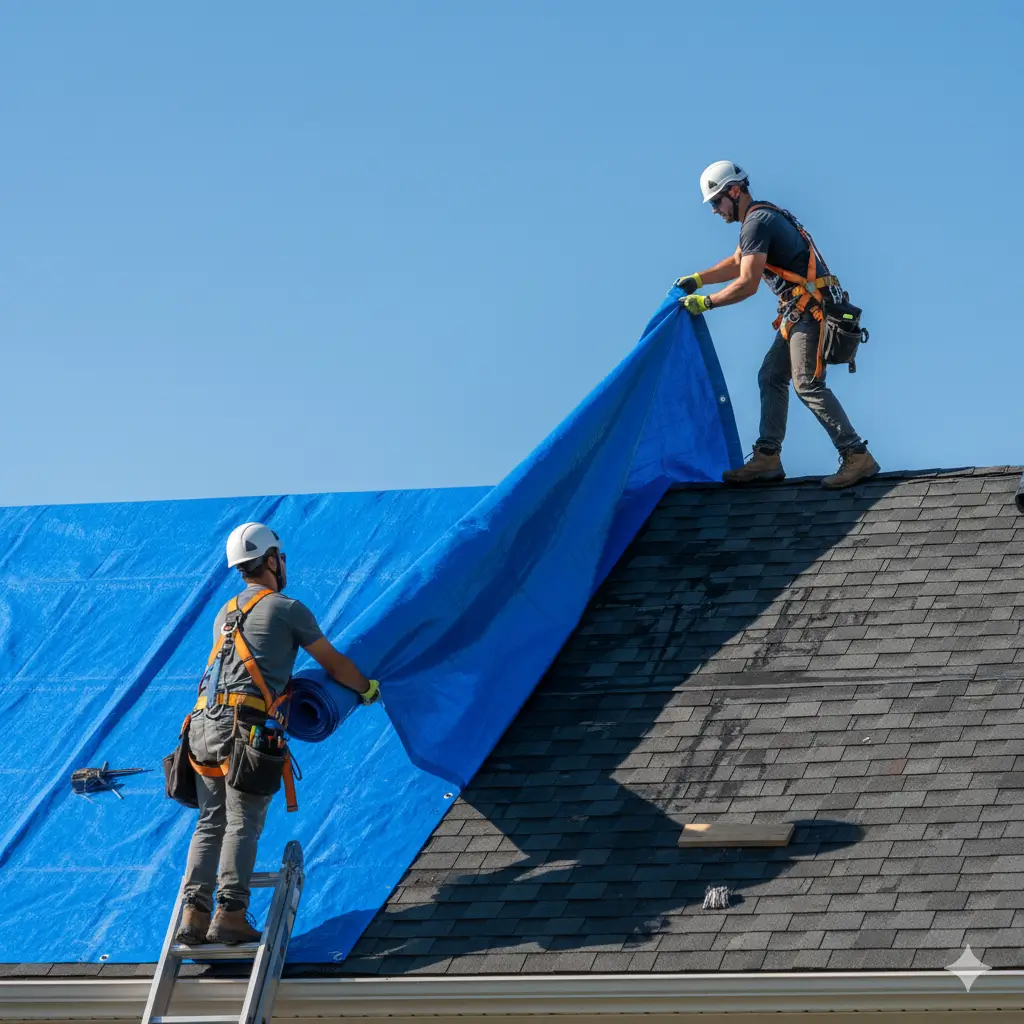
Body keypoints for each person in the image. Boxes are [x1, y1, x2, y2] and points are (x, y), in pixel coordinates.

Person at [175, 522, 379, 945]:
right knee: (242, 822)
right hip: (242, 729)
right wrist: (365, 688)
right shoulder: (287, 609)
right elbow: (334, 663)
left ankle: (193, 916)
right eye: (280, 557)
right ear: (270, 560)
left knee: (210, 823)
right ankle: (229, 914)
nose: (283, 564)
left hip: (200, 727)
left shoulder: (225, 612)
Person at [676, 160, 880, 490]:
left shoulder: (757, 222)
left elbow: (747, 282)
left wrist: (707, 302)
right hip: (800, 312)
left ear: (735, 191)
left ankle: (857, 455)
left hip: (811, 313)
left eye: (716, 201)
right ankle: (768, 457)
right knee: (771, 375)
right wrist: (698, 279)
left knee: (806, 384)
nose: (714, 210)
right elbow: (736, 262)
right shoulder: (759, 218)